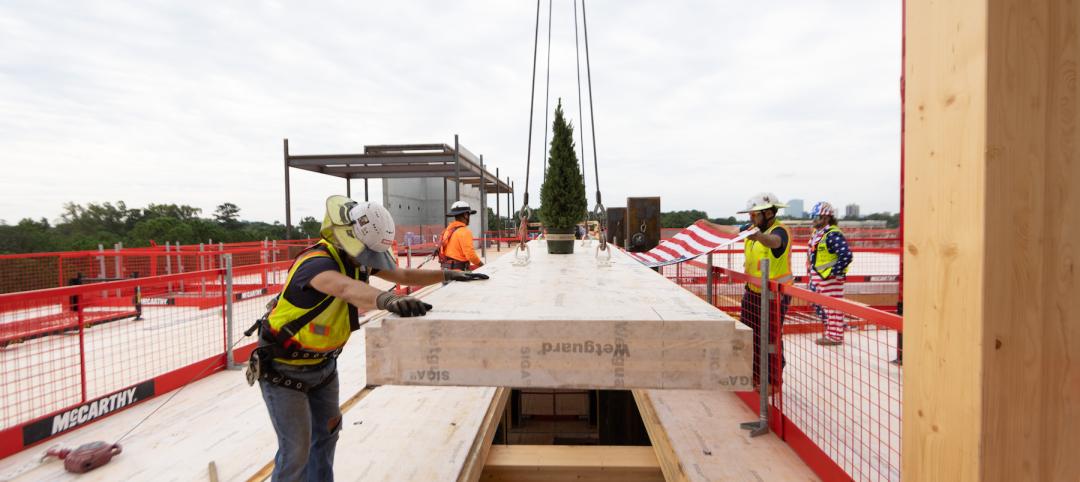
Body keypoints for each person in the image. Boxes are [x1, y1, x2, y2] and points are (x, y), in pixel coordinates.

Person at [253, 195, 488, 481]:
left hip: (324, 367)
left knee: (327, 437)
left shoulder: (354, 259)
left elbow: (401, 272)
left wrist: (446, 274)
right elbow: (346, 289)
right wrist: (388, 300)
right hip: (283, 369)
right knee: (295, 452)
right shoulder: (315, 265)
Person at [700, 192, 792, 390]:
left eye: (753, 214)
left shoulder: (779, 231)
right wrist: (708, 224)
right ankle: (756, 375)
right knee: (752, 335)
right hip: (753, 292)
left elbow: (774, 242)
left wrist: (758, 236)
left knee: (770, 338)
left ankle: (773, 381)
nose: (750, 218)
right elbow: (732, 230)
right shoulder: (751, 229)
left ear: (767, 213)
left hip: (775, 295)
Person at [806, 202, 853, 346]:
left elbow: (846, 255)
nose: (813, 219)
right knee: (826, 307)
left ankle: (835, 336)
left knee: (833, 308)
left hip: (829, 279)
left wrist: (832, 272)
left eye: (816, 216)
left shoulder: (832, 235)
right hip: (821, 277)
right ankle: (832, 332)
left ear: (826, 218)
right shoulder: (818, 233)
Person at [439, 201, 484, 270]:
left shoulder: (447, 231)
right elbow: (470, 255)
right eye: (469, 214)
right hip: (458, 272)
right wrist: (482, 265)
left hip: (445, 271)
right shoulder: (464, 231)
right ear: (466, 215)